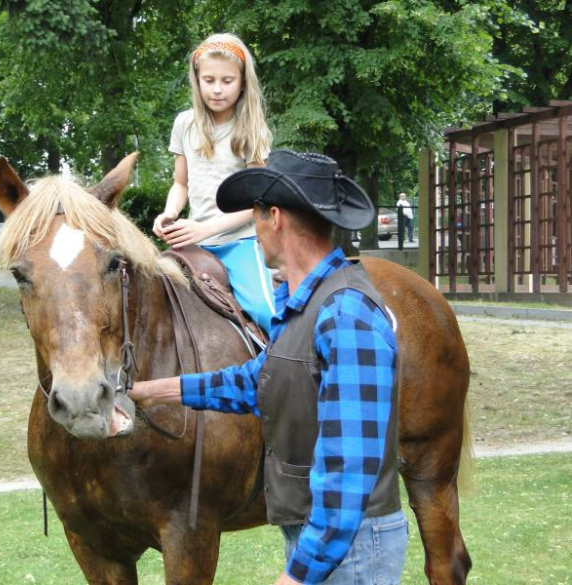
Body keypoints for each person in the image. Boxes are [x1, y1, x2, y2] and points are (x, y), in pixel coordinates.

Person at [132, 151, 406, 584]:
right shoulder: (303, 305)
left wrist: (296, 576)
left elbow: (349, 472)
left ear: (273, 217)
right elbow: (256, 381)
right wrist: (152, 391)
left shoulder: (346, 313)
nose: (253, 231)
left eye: (254, 216)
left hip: (350, 547)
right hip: (320, 536)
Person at [152, 32, 275, 333]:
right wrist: (169, 212)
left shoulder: (251, 130)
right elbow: (181, 184)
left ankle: (290, 373)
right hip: (192, 243)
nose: (217, 89)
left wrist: (207, 228)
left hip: (240, 243)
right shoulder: (184, 123)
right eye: (209, 80)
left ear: (243, 81)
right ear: (197, 80)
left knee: (265, 311)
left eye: (227, 81)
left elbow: (260, 202)